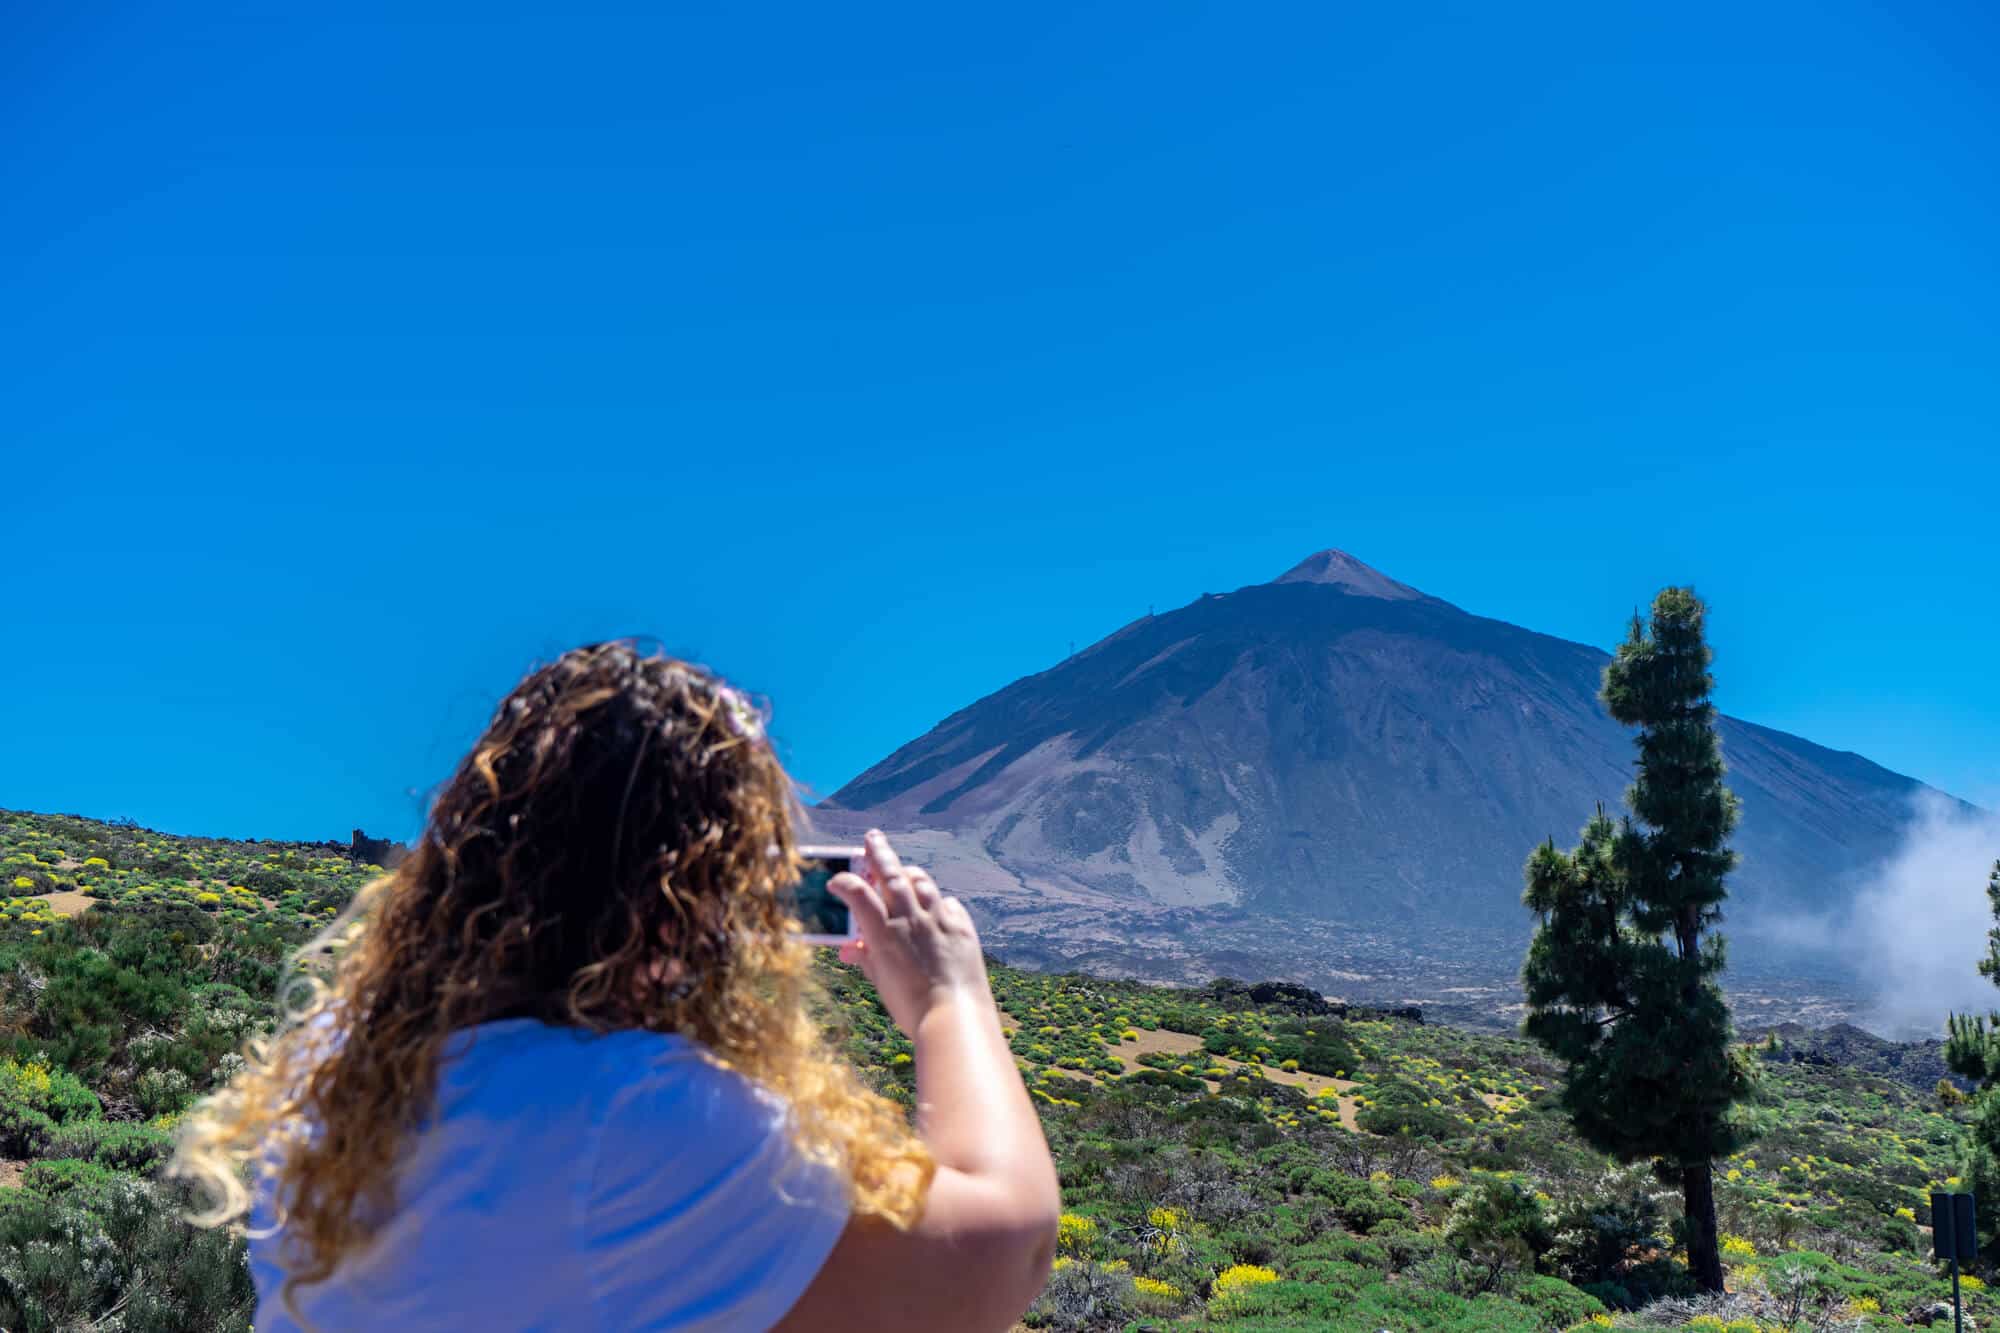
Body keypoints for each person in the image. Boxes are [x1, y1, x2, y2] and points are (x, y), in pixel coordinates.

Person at [173, 641, 1060, 1331]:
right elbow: (1002, 1250)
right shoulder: (627, 1115)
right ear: (681, 905)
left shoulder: (341, 1073)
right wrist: (950, 998)